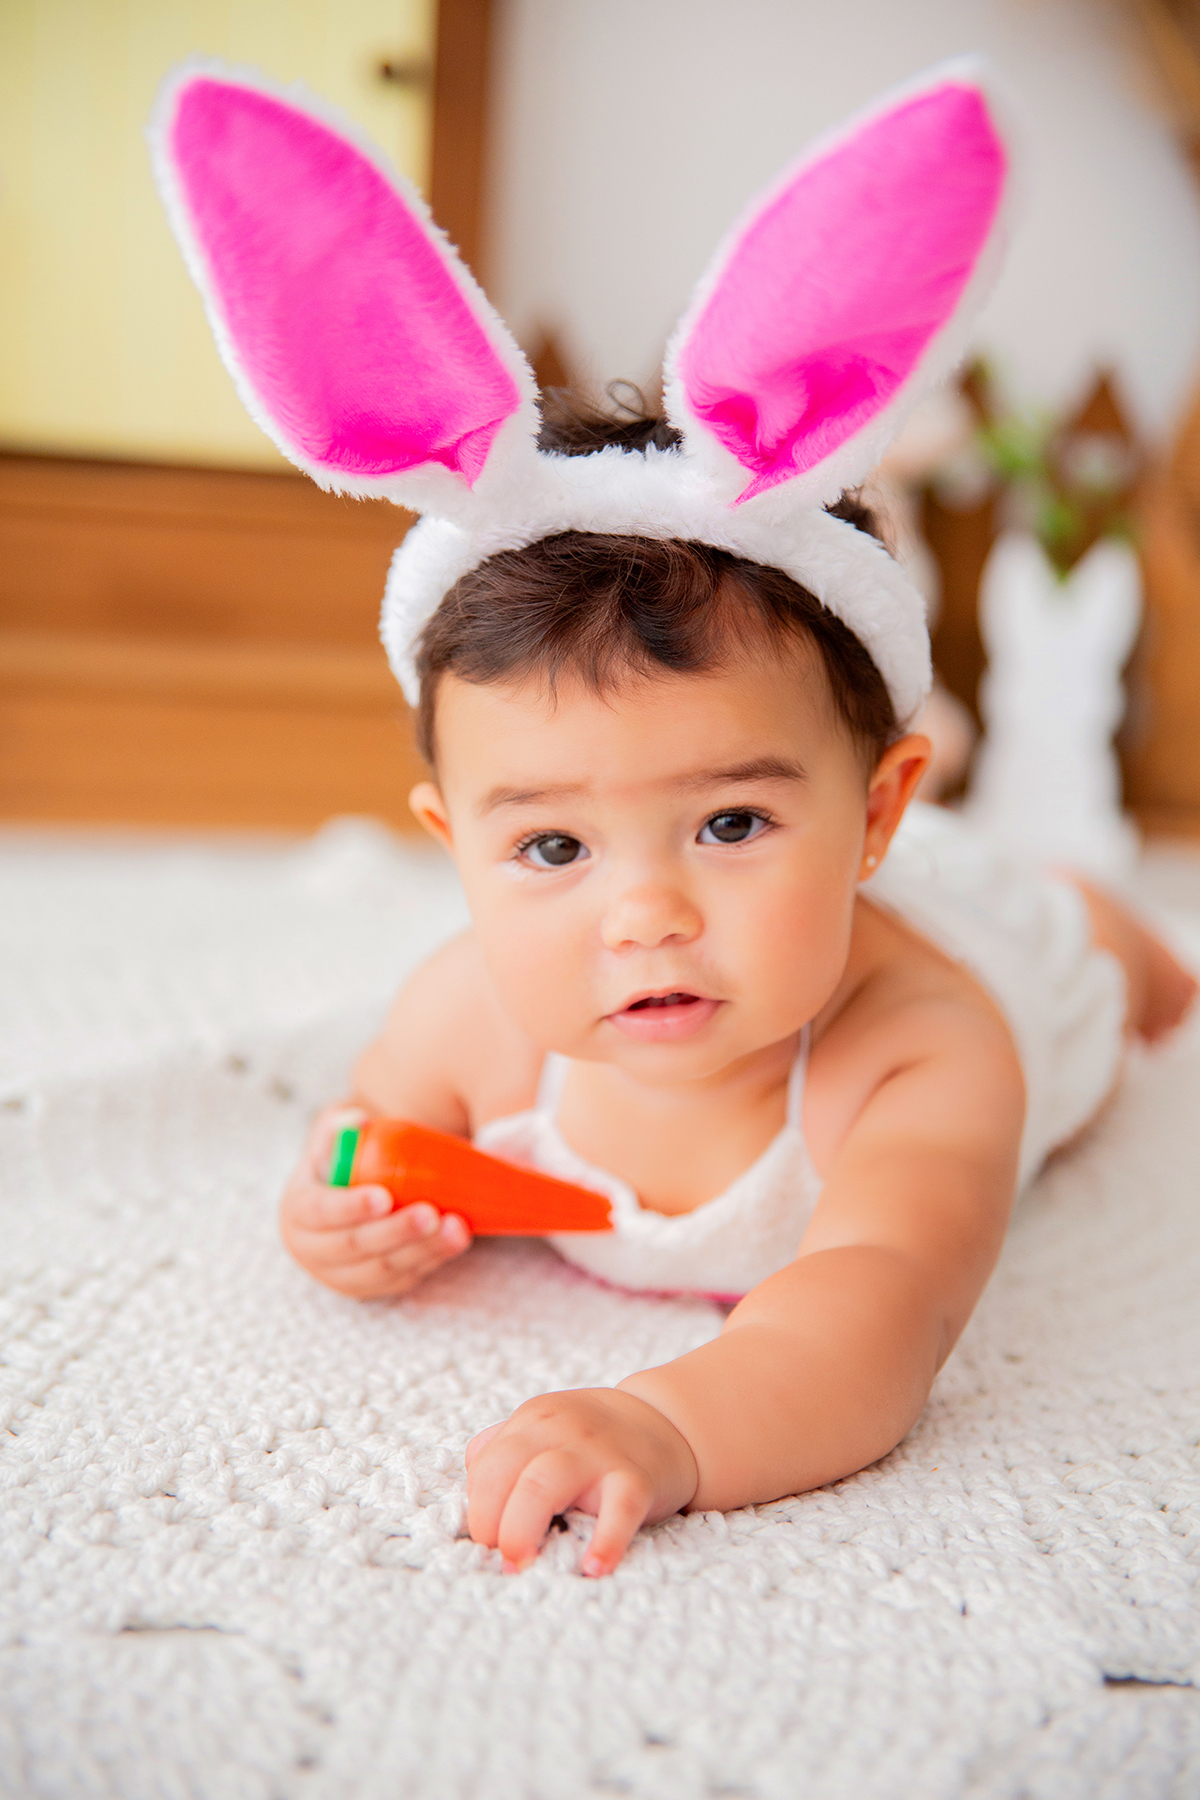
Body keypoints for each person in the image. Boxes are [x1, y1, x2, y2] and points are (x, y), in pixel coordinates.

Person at [153, 60, 1195, 1579]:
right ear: (455, 848)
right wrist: (340, 1219)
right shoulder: (465, 1018)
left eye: (729, 825)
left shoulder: (921, 1057)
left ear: (878, 808)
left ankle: (1125, 940)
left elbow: (881, 1310)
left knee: (1085, 934)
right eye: (551, 849)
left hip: (997, 936)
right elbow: (361, 1146)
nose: (644, 915)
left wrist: (672, 1423)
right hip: (861, 883)